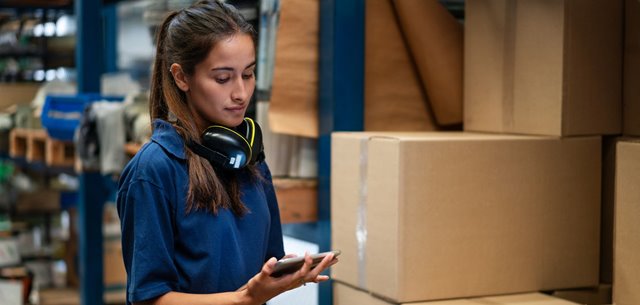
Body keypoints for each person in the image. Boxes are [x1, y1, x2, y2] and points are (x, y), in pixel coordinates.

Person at [116, 1, 338, 304]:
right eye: (222, 78)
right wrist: (243, 299)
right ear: (181, 77)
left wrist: (286, 276)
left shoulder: (251, 161)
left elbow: (266, 266)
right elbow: (149, 298)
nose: (241, 93)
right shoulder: (153, 171)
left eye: (247, 75)